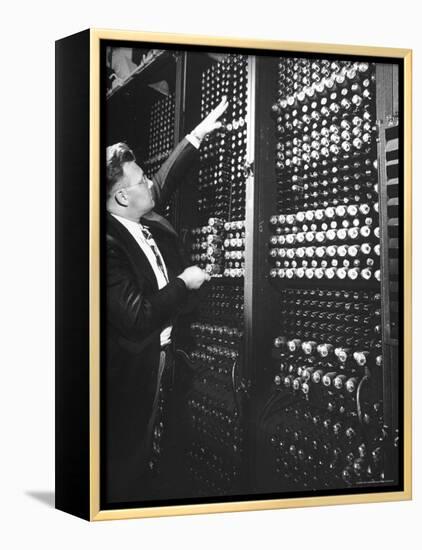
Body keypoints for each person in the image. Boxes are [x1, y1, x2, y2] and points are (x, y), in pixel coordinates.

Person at [104, 96, 228, 503]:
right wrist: (184, 282)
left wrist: (195, 136)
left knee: (160, 442)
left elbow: (160, 183)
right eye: (138, 182)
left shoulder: (137, 213)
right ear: (123, 198)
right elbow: (138, 317)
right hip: (137, 368)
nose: (148, 186)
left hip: (170, 355)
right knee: (129, 455)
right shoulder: (105, 245)